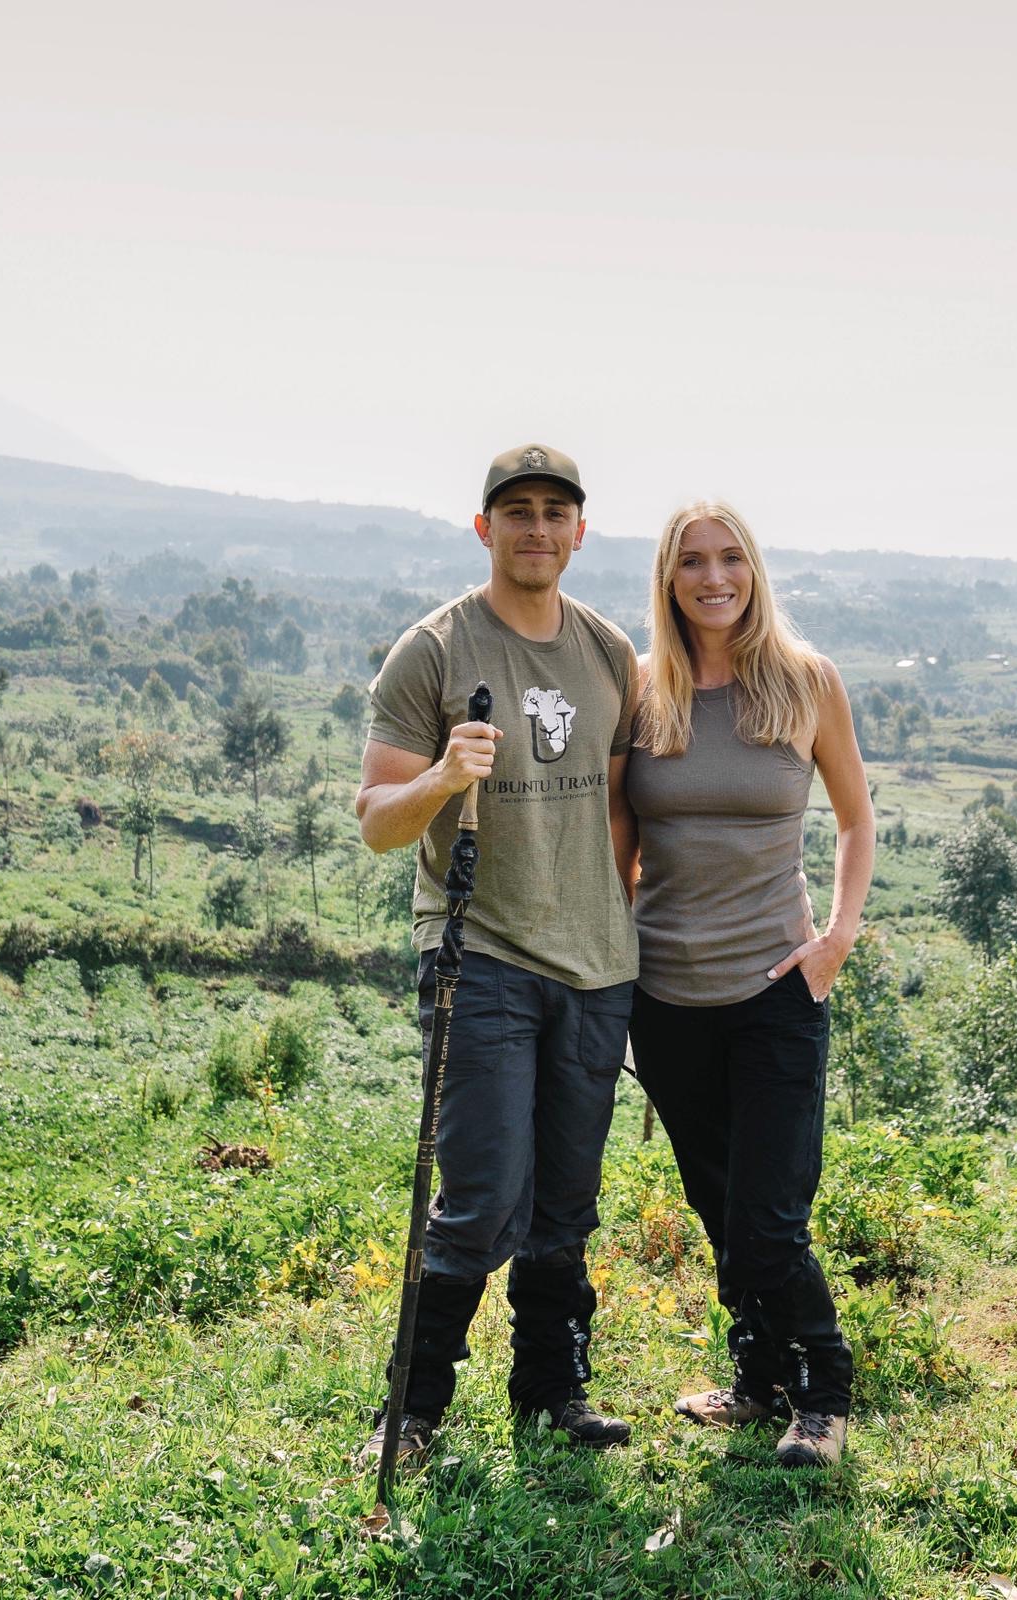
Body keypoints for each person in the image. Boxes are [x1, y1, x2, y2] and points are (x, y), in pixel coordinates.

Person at [355, 444, 639, 1462]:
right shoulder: (432, 650)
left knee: (565, 1194)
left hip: (596, 964)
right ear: (484, 528)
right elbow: (377, 822)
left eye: (553, 511)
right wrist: (439, 778)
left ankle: (549, 1394)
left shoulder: (608, 653)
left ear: (578, 530)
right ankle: (413, 1406)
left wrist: (621, 916)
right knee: (479, 1190)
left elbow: (618, 805)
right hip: (479, 952)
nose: (534, 527)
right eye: (514, 510)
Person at [621, 500, 875, 1468]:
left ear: (753, 569)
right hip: (663, 992)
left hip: (774, 986)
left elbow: (854, 817)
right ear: (668, 577)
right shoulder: (639, 691)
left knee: (767, 1216)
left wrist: (836, 937)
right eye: (693, 561)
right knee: (716, 1201)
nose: (713, 576)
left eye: (729, 558)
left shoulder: (805, 681)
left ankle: (824, 1389)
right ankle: (756, 1376)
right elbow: (616, 837)